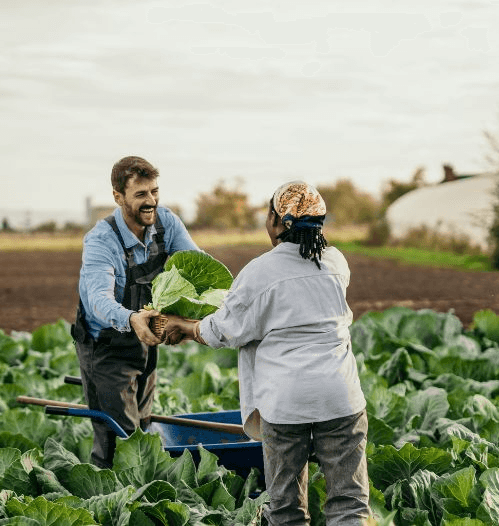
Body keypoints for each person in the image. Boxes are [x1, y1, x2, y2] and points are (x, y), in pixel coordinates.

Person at [163, 181, 371, 526]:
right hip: (340, 395)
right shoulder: (336, 263)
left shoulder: (261, 271)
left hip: (286, 401)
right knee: (349, 504)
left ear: (276, 222)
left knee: (286, 509)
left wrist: (186, 326)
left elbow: (223, 330)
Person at [72, 155, 200, 469]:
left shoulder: (165, 222)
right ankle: (105, 505)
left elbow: (197, 267)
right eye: (141, 194)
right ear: (118, 197)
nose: (151, 201)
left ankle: (140, 499)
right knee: (118, 438)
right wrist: (131, 318)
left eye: (155, 191)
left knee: (142, 428)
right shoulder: (102, 241)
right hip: (105, 346)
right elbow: (98, 300)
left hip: (145, 340)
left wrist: (194, 316)